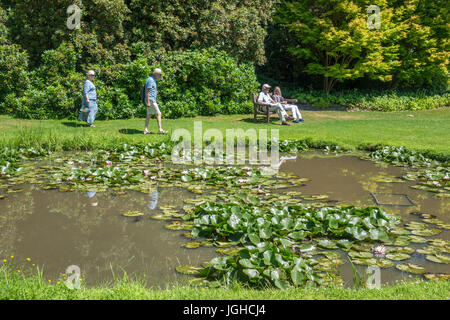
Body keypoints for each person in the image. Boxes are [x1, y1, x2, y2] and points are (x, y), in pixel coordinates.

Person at [144, 68, 167, 134]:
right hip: (151, 100)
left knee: (149, 114)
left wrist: (155, 92)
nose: (160, 76)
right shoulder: (151, 80)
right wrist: (148, 102)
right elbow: (147, 92)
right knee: (158, 113)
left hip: (151, 99)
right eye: (159, 74)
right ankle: (160, 130)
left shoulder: (152, 79)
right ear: (155, 74)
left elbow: (151, 90)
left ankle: (146, 130)